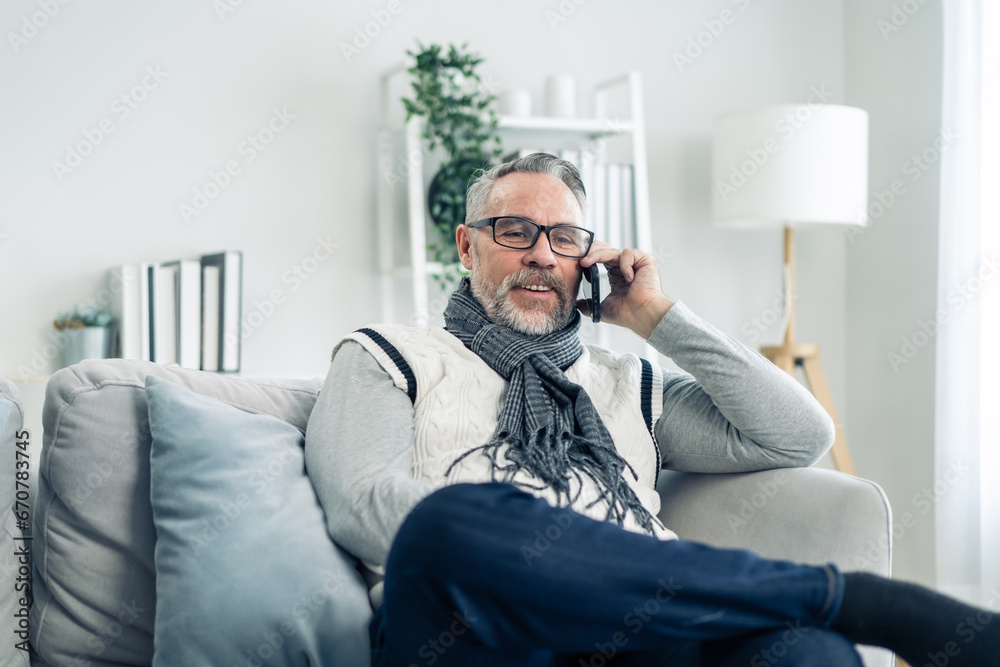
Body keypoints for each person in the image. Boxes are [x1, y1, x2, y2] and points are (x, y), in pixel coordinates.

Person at [305, 153, 998, 666]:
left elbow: (800, 433)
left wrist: (658, 318)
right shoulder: (384, 355)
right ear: (466, 245)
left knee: (804, 652)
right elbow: (365, 509)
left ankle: (820, 611)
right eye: (515, 230)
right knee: (444, 521)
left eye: (566, 237)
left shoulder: (624, 381)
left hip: (640, 631)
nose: (543, 254)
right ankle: (859, 599)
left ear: (589, 259)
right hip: (473, 633)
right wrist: (545, 550)